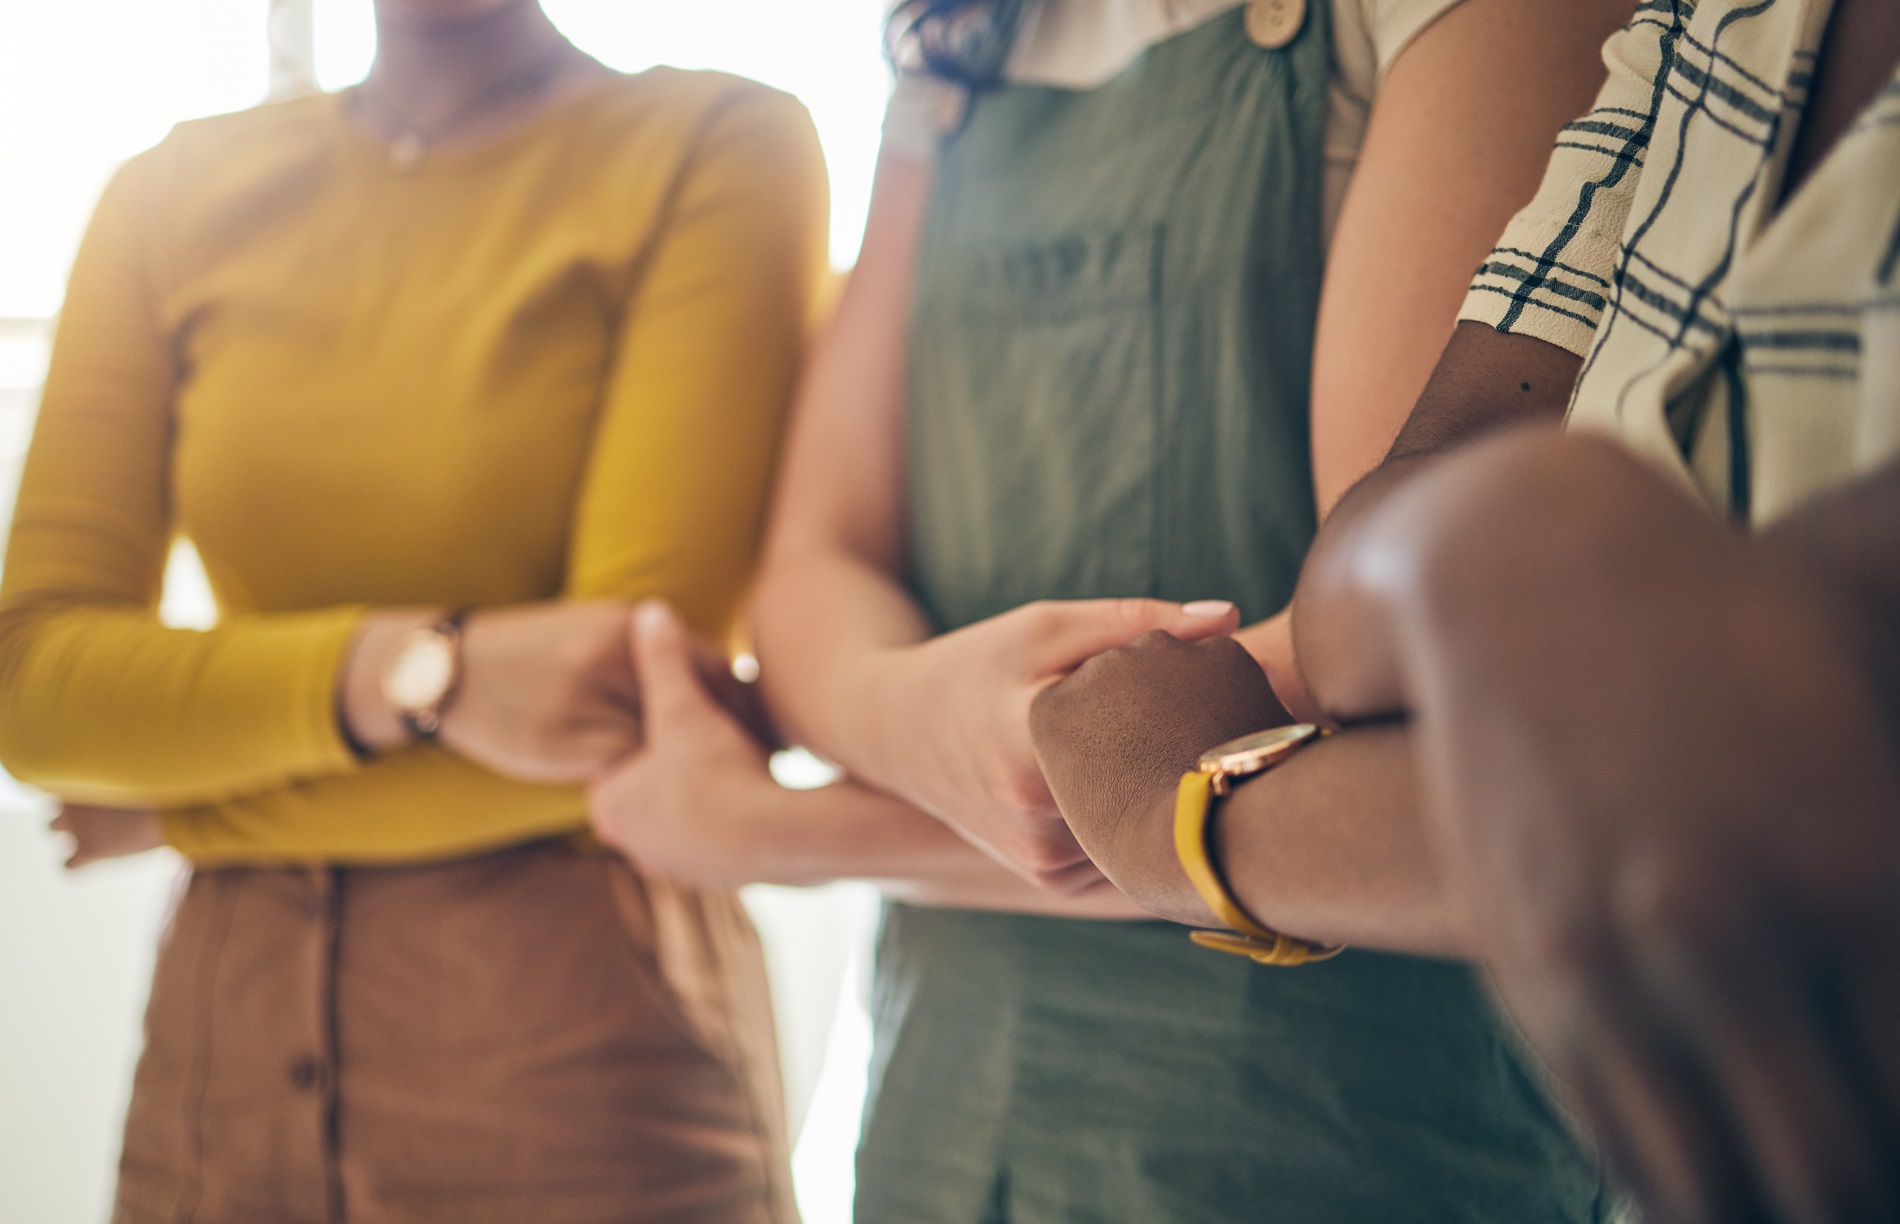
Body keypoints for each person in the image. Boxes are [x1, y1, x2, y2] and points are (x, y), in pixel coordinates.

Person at [590, 0, 1638, 1218]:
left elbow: (1375, 671)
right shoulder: (957, 48)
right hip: (945, 1107)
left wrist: (783, 830)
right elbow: (812, 566)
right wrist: (913, 706)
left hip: (1335, 1128)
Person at [1029, 0, 1900, 1220]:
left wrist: (1191, 817)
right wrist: (1495, 544)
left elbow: (1716, 785)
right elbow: (1360, 610)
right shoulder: (1702, 24)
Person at [0, 0, 826, 1219]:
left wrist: (183, 798)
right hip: (219, 1052)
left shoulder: (711, 142)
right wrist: (411, 673)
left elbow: (628, 710)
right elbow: (32, 682)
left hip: (578, 1035)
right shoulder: (169, 192)